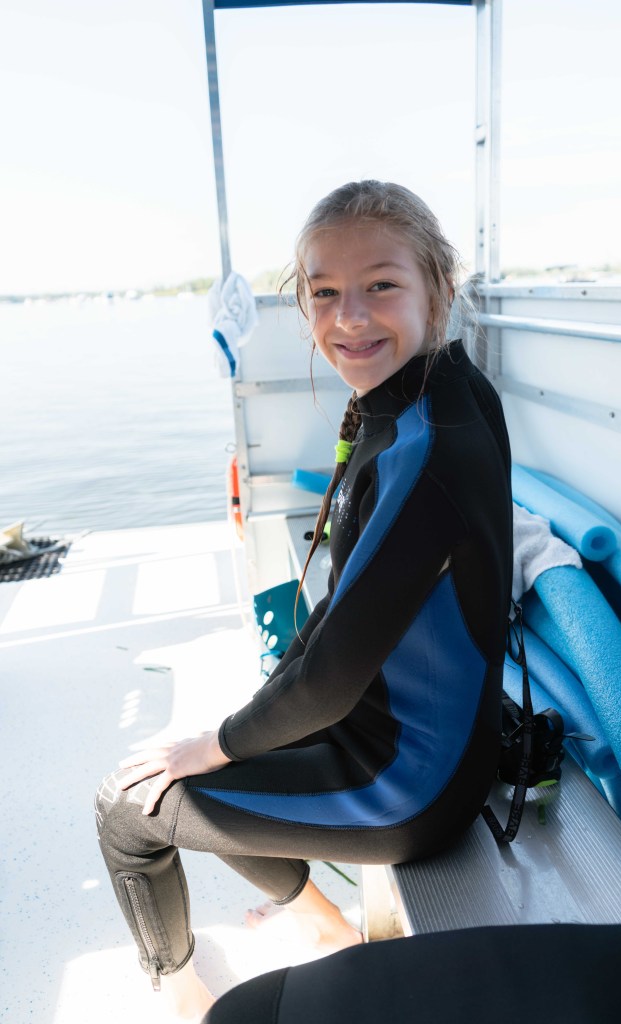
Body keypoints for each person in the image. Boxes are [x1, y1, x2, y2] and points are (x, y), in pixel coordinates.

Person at [95, 180, 513, 1022]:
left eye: (381, 286)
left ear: (438, 285)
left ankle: (178, 990)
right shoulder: (443, 393)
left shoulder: (425, 452)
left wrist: (213, 744)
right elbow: (352, 613)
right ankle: (322, 924)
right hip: (436, 739)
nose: (348, 318)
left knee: (126, 807)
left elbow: (326, 681)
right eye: (324, 293)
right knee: (234, 739)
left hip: (405, 785)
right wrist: (234, 732)